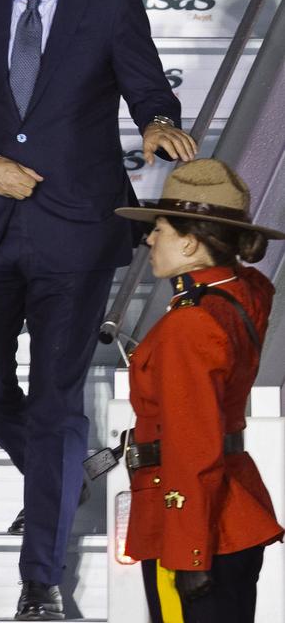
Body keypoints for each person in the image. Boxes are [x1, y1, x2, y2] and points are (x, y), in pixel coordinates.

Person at [0, 0, 197, 620]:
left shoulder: (111, 2)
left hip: (76, 232)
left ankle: (40, 582)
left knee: (54, 402)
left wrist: (154, 123)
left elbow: (148, 88)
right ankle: (64, 471)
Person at [115, 158, 284, 623]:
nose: (149, 238)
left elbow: (192, 445)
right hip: (231, 510)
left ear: (189, 242)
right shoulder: (242, 291)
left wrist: (188, 551)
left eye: (161, 229)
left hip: (193, 526)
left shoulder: (190, 323)